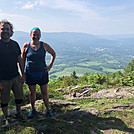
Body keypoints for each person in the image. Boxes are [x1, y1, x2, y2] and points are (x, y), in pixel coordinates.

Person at [21, 27, 56, 118]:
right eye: (34, 34)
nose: (35, 36)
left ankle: (48, 109)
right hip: (30, 73)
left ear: (40, 36)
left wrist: (50, 65)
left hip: (42, 73)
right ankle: (33, 109)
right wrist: (23, 74)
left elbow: (53, 53)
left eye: (37, 34)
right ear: (30, 35)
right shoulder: (26, 46)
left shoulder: (44, 45)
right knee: (32, 93)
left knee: (44, 92)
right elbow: (22, 60)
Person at [0, 19, 24, 123]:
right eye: (2, 29)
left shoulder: (15, 44)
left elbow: (20, 60)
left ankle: (18, 113)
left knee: (19, 96)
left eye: (7, 29)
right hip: (3, 79)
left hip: (15, 76)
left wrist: (23, 74)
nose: (5, 31)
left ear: (11, 32)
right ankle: (6, 117)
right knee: (4, 100)